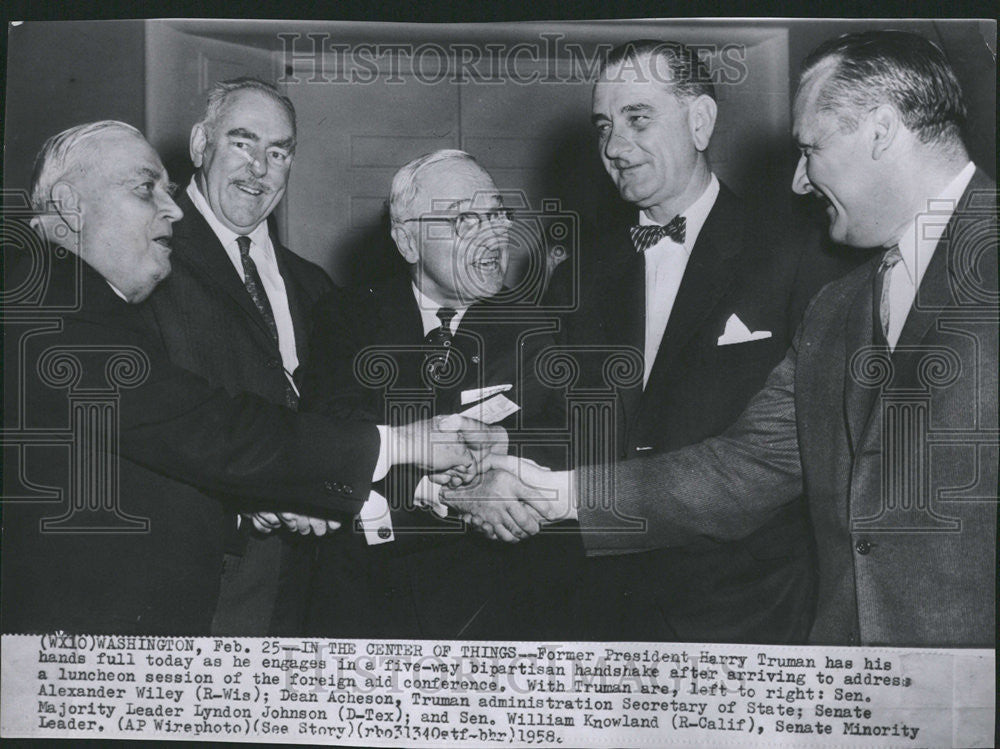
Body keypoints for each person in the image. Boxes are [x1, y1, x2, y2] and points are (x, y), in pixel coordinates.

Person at [448, 30, 997, 647]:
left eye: (810, 148)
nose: (797, 180)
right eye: (605, 125)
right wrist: (550, 489)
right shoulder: (842, 306)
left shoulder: (811, 264)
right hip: (850, 669)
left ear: (881, 130)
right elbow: (745, 465)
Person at [1, 121, 494, 635]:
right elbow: (203, 426)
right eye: (145, 189)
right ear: (66, 203)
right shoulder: (41, 302)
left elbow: (136, 468)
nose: (172, 209)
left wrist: (255, 505)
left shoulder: (72, 298)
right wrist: (402, 442)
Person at [543, 39, 867, 643]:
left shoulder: (799, 254)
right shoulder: (577, 273)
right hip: (601, 605)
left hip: (747, 611)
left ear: (700, 121)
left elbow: (804, 453)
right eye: (604, 126)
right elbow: (558, 418)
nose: (614, 146)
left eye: (638, 118)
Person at [298, 150, 578, 638]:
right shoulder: (345, 318)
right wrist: (456, 493)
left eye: (496, 214)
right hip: (368, 604)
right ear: (407, 240)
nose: (492, 237)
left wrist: (508, 461)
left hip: (497, 606)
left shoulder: (540, 326)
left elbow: (569, 436)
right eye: (464, 219)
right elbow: (332, 438)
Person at [139, 77, 336, 635]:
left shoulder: (315, 285)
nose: (259, 169)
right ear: (201, 145)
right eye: (243, 143)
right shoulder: (150, 262)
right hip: (195, 577)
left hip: (305, 582)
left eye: (278, 152)